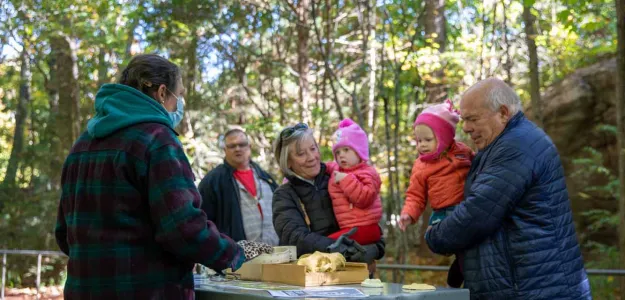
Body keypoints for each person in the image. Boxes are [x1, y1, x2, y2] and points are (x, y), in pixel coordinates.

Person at [54, 54, 245, 299]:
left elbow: (64, 232)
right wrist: (234, 256)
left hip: (84, 290)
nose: (180, 104)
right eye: (180, 95)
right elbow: (184, 229)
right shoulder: (157, 139)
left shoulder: (82, 144)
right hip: (146, 290)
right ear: (162, 93)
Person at [425, 78, 591, 299]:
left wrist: (435, 236)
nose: (465, 128)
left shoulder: (516, 146)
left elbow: (478, 214)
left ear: (503, 113)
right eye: (464, 120)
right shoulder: (500, 144)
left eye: (472, 119)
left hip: (536, 290)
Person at [271, 123, 385, 273]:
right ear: (288, 162)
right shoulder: (284, 195)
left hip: (353, 274)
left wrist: (376, 248)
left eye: (313, 149)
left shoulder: (340, 177)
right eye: (301, 154)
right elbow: (295, 238)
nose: (311, 157)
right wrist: (344, 249)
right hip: (312, 277)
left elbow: (367, 219)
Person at [398, 99, 474, 287]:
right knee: (459, 246)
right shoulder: (421, 166)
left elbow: (479, 167)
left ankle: (459, 275)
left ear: (445, 136)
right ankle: (457, 276)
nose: (421, 145)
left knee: (470, 249)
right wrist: (408, 214)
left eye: (427, 140)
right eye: (418, 140)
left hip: (467, 207)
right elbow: (415, 195)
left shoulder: (462, 152)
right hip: (443, 213)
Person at [198, 128, 279, 245]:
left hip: (276, 254)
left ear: (249, 147)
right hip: (237, 258)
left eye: (242, 144)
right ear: (225, 150)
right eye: (232, 146)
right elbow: (204, 222)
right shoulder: (213, 181)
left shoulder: (265, 177)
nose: (237, 149)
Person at [326, 118, 383, 245]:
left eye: (346, 150)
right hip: (350, 228)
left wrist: (346, 180)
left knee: (328, 245)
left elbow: (364, 198)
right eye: (337, 152)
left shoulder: (368, 172)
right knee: (327, 244)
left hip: (365, 227)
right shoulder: (337, 169)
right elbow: (323, 167)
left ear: (359, 151)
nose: (341, 155)